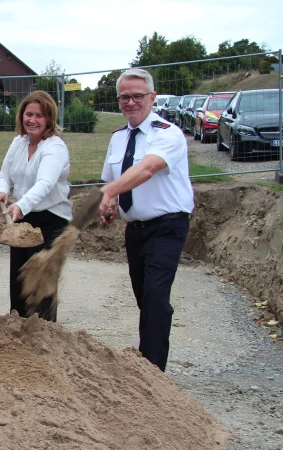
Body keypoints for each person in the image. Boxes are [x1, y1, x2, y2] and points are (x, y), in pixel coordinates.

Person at [98, 68, 194, 372]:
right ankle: (150, 364)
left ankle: (153, 373)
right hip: (135, 230)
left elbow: (148, 168)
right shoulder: (118, 138)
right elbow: (113, 181)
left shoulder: (167, 133)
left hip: (167, 226)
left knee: (155, 298)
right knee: (144, 298)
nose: (130, 102)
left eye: (137, 96)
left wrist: (109, 191)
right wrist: (110, 203)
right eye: (124, 97)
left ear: (152, 97)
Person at [0, 91, 72, 321]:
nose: (32, 120)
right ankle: (17, 332)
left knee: (40, 287)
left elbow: (45, 183)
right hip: (22, 220)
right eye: (28, 114)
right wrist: (2, 191)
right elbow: (4, 175)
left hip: (51, 220)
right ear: (21, 116)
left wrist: (20, 205)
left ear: (49, 119)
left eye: (39, 115)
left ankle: (44, 334)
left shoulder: (55, 147)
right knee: (19, 282)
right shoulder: (18, 142)